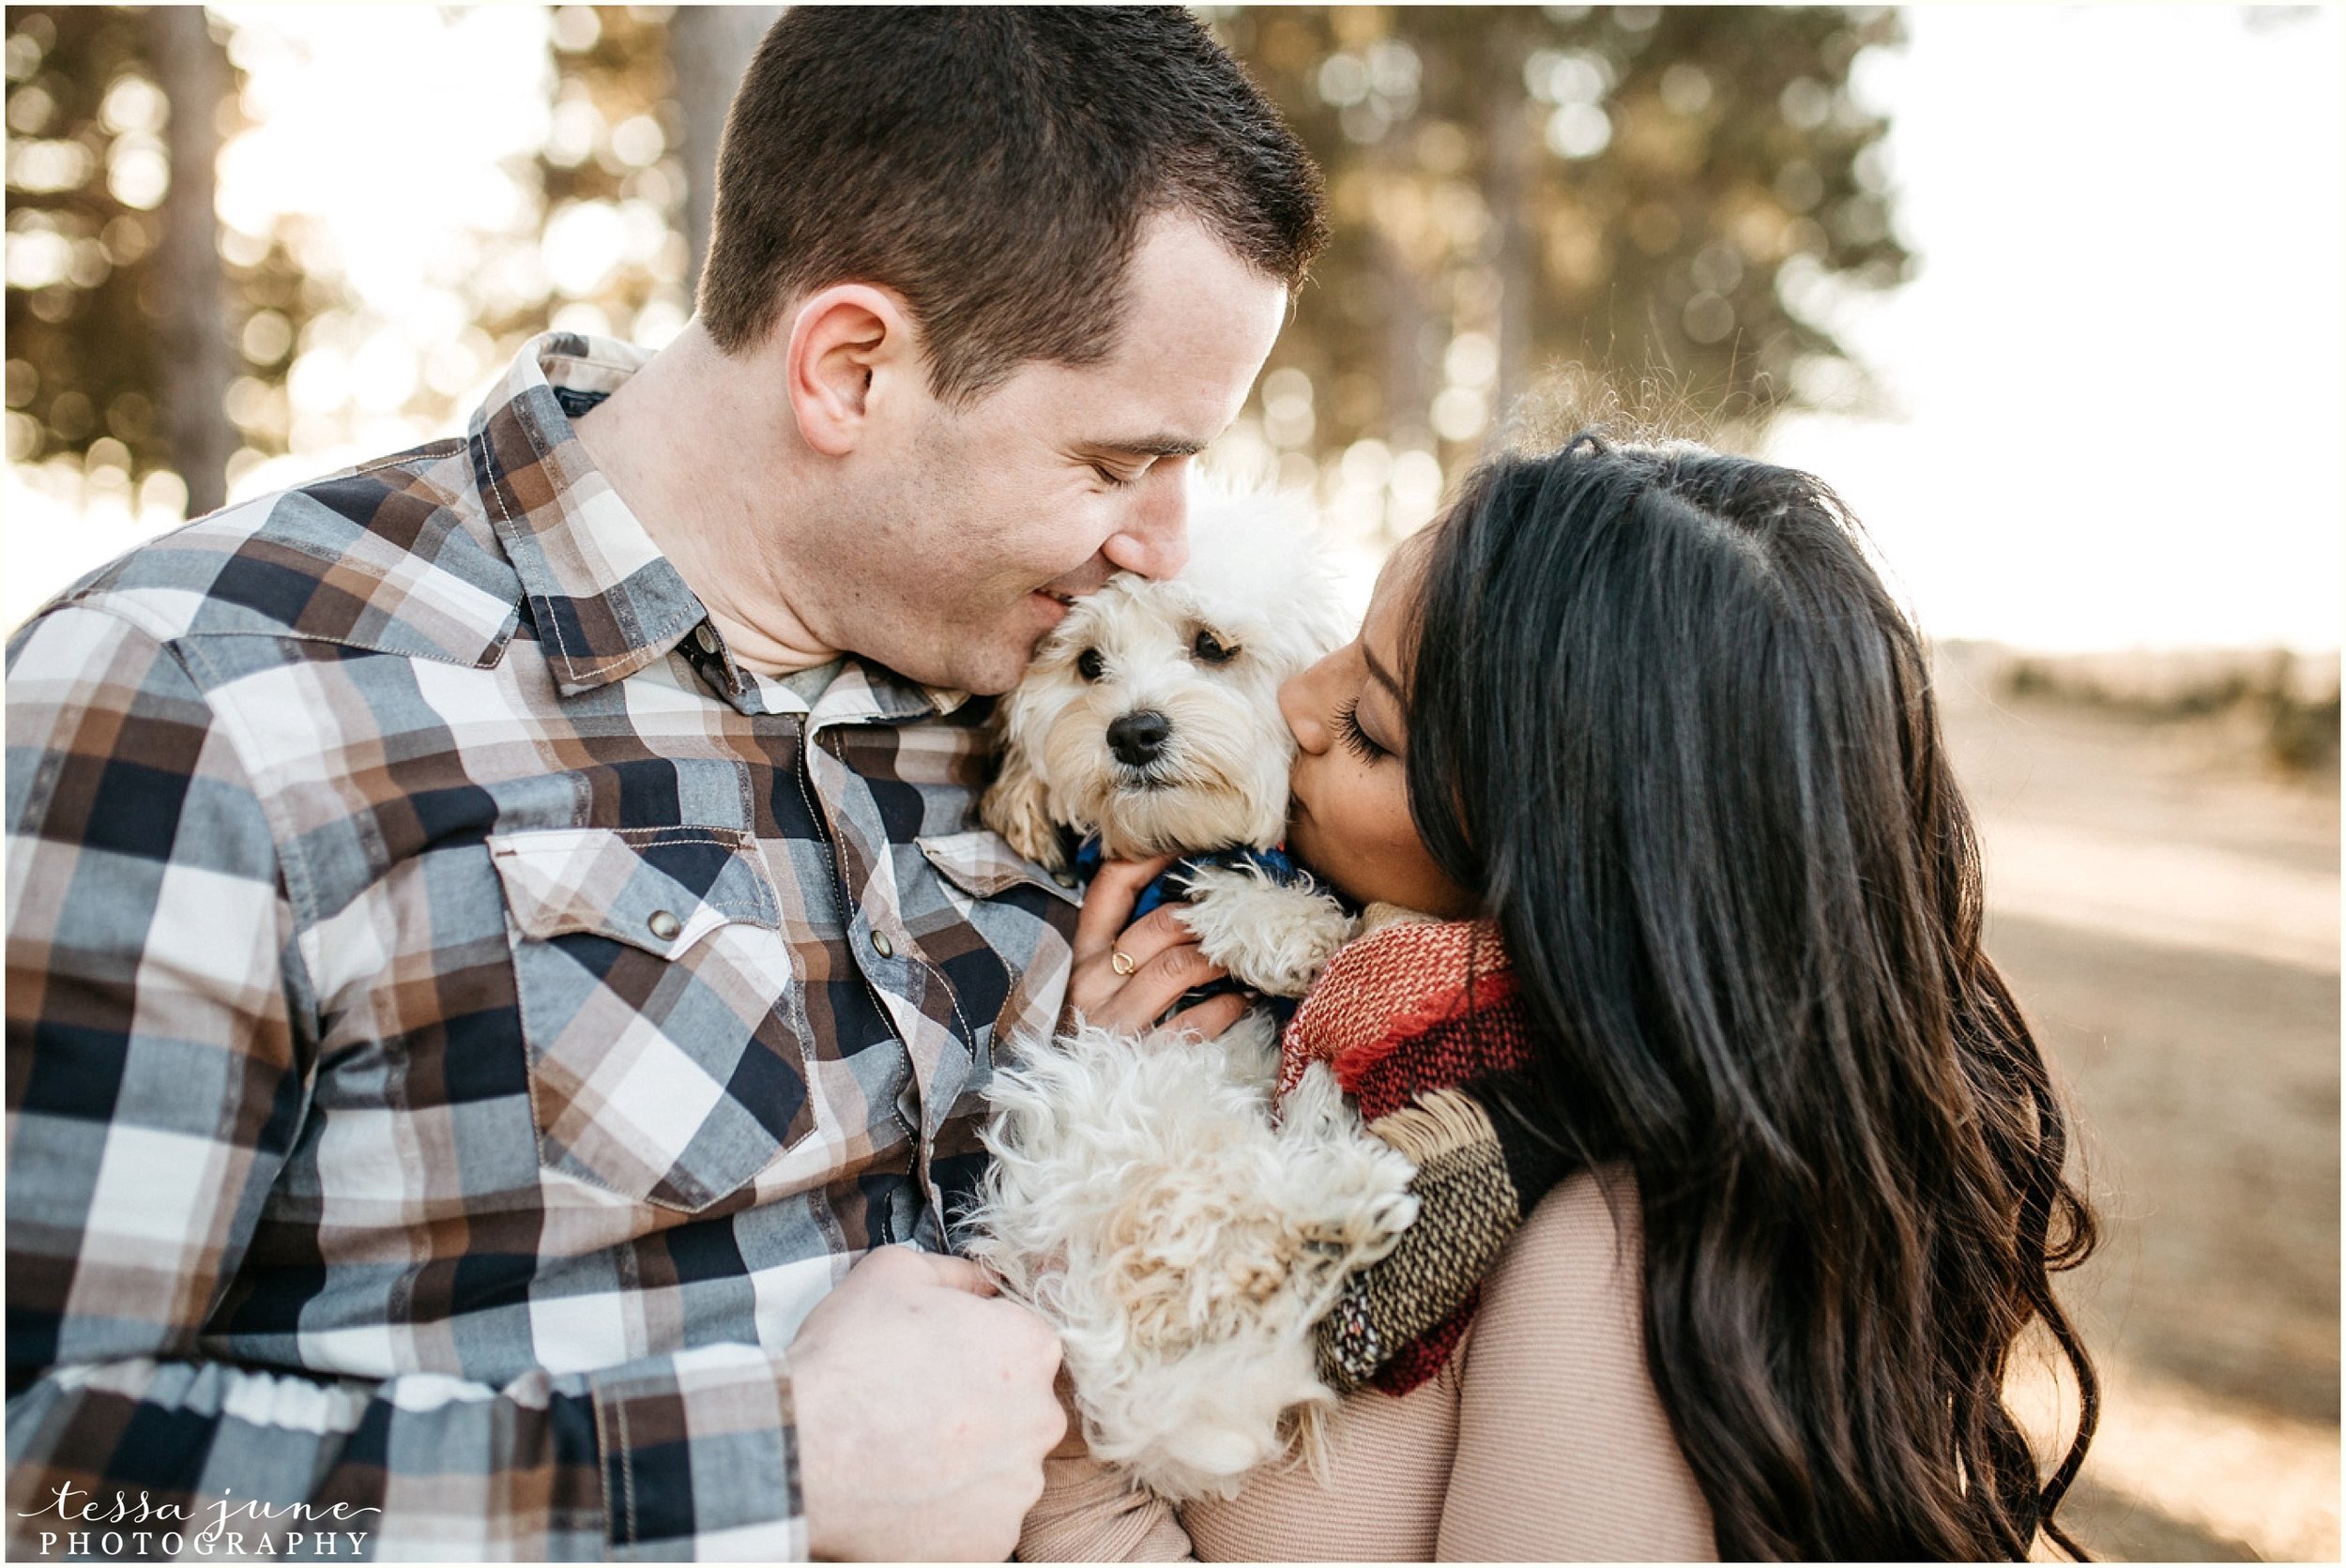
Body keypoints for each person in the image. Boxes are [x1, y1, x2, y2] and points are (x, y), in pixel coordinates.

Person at [3, 11, 1323, 1560]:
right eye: (1114, 465)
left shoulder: (1029, 685)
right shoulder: (212, 698)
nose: (1158, 543)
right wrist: (768, 1468)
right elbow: (44, 1479)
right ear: (849, 368)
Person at [1017, 434, 2101, 1560]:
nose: (1292, 699)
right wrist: (1112, 1085)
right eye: (1343, 648)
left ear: (1563, 859)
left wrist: (1063, 1436)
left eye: (1371, 732)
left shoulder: (1602, 1253)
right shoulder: (1357, 1025)